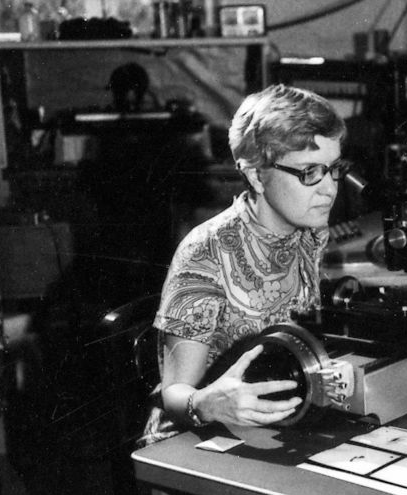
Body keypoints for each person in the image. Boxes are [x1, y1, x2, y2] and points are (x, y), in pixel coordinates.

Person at [138, 84, 349, 446]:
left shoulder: (310, 232)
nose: (329, 188)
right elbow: (174, 394)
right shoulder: (205, 253)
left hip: (272, 423)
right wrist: (208, 403)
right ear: (255, 175)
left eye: (334, 169)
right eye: (309, 172)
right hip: (195, 441)